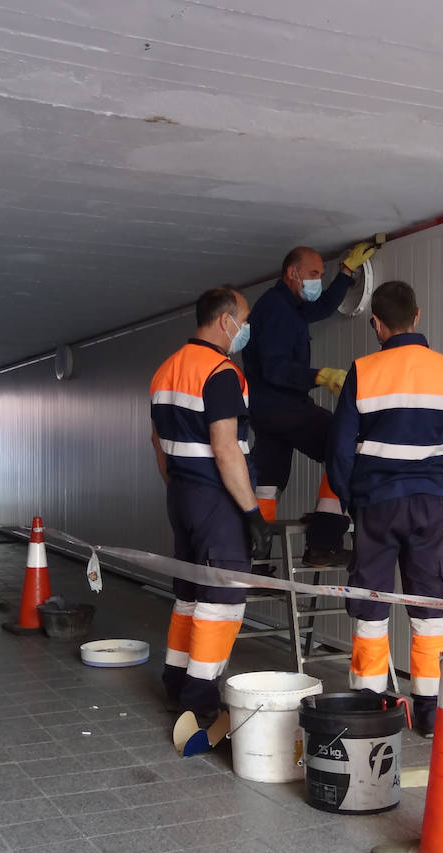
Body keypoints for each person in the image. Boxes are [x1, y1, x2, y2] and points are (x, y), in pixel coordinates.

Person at [326, 280, 443, 737]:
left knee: (371, 600)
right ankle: (429, 713)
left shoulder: (363, 370)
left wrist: (351, 498)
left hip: (376, 504)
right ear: (418, 314)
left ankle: (371, 707)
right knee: (429, 606)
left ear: (376, 323)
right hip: (430, 504)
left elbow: (340, 448)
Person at [150, 286, 272, 725]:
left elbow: (158, 446)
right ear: (226, 321)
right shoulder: (221, 372)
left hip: (181, 495)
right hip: (218, 499)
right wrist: (252, 512)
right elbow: (226, 449)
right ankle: (199, 698)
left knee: (188, 594)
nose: (246, 328)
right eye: (245, 318)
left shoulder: (166, 370)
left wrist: (181, 485)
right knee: (220, 600)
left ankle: (175, 682)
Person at [242, 241, 376, 566]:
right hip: (283, 407)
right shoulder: (275, 310)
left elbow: (321, 309)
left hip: (265, 413)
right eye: (313, 273)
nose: (318, 278)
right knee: (343, 442)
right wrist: (321, 376)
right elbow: (274, 368)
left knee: (268, 481)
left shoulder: (288, 305)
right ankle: (324, 541)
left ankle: (253, 568)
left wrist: (345, 272)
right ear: (292, 272)